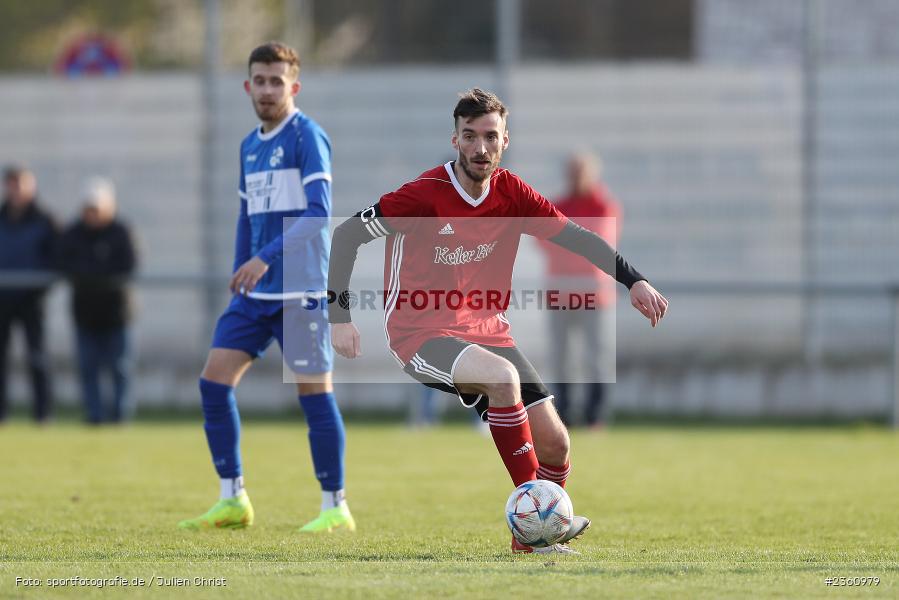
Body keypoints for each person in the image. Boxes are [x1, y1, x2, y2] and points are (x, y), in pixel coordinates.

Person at [328, 89, 668, 554]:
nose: (480, 147)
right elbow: (346, 235)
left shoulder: (512, 193)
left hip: (490, 332)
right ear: (456, 140)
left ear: (505, 141)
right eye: (470, 136)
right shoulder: (423, 195)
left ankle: (529, 543)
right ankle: (539, 516)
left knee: (557, 445)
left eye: (490, 136)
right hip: (421, 335)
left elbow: (577, 238)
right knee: (503, 379)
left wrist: (636, 281)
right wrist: (338, 317)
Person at [178, 42, 354, 533]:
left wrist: (264, 257)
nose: (268, 89)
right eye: (261, 80)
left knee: (314, 396)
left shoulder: (307, 136)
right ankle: (232, 498)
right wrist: (242, 267)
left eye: (278, 81)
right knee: (213, 384)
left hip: (300, 289)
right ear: (247, 85)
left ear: (294, 87)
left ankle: (334, 507)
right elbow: (245, 214)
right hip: (254, 295)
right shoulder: (249, 145)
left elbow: (318, 215)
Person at [540, 153, 620, 427]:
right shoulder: (557, 205)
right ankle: (563, 414)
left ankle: (594, 416)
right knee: (561, 359)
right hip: (560, 292)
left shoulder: (603, 205)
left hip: (594, 294)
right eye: (572, 171)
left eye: (581, 171)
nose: (576, 177)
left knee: (597, 358)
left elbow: (599, 245)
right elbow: (545, 242)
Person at [57, 178, 137, 424]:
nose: (92, 214)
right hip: (85, 313)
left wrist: (92, 273)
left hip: (116, 313)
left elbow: (128, 264)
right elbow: (63, 262)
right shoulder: (73, 233)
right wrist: (94, 272)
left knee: (119, 368)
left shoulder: (121, 231)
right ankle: (94, 416)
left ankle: (120, 417)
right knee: (88, 369)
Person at [0, 165, 57, 423]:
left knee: (37, 358)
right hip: (3, 298)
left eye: (21, 184)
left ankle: (42, 414)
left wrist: (40, 285)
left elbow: (56, 257)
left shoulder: (45, 220)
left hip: (32, 300)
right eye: (12, 184)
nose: (16, 190)